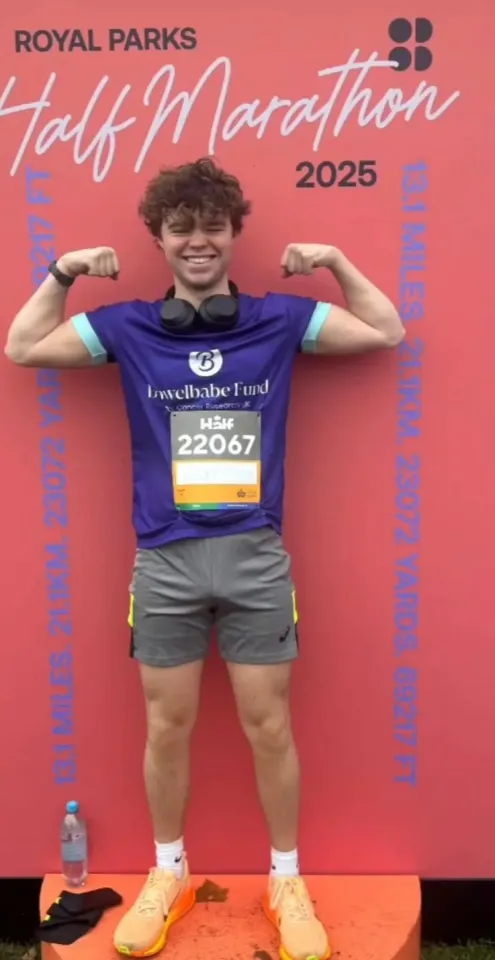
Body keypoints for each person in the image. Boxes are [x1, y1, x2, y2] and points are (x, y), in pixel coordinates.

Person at [5, 158, 404, 960]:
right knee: (166, 726)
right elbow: (22, 347)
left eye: (212, 227)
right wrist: (62, 271)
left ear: (231, 235)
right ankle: (169, 873)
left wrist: (333, 261)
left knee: (268, 724)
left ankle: (285, 880)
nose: (197, 240)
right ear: (158, 238)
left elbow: (385, 330)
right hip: (164, 561)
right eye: (180, 228)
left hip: (256, 559)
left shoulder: (277, 320)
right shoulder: (128, 327)